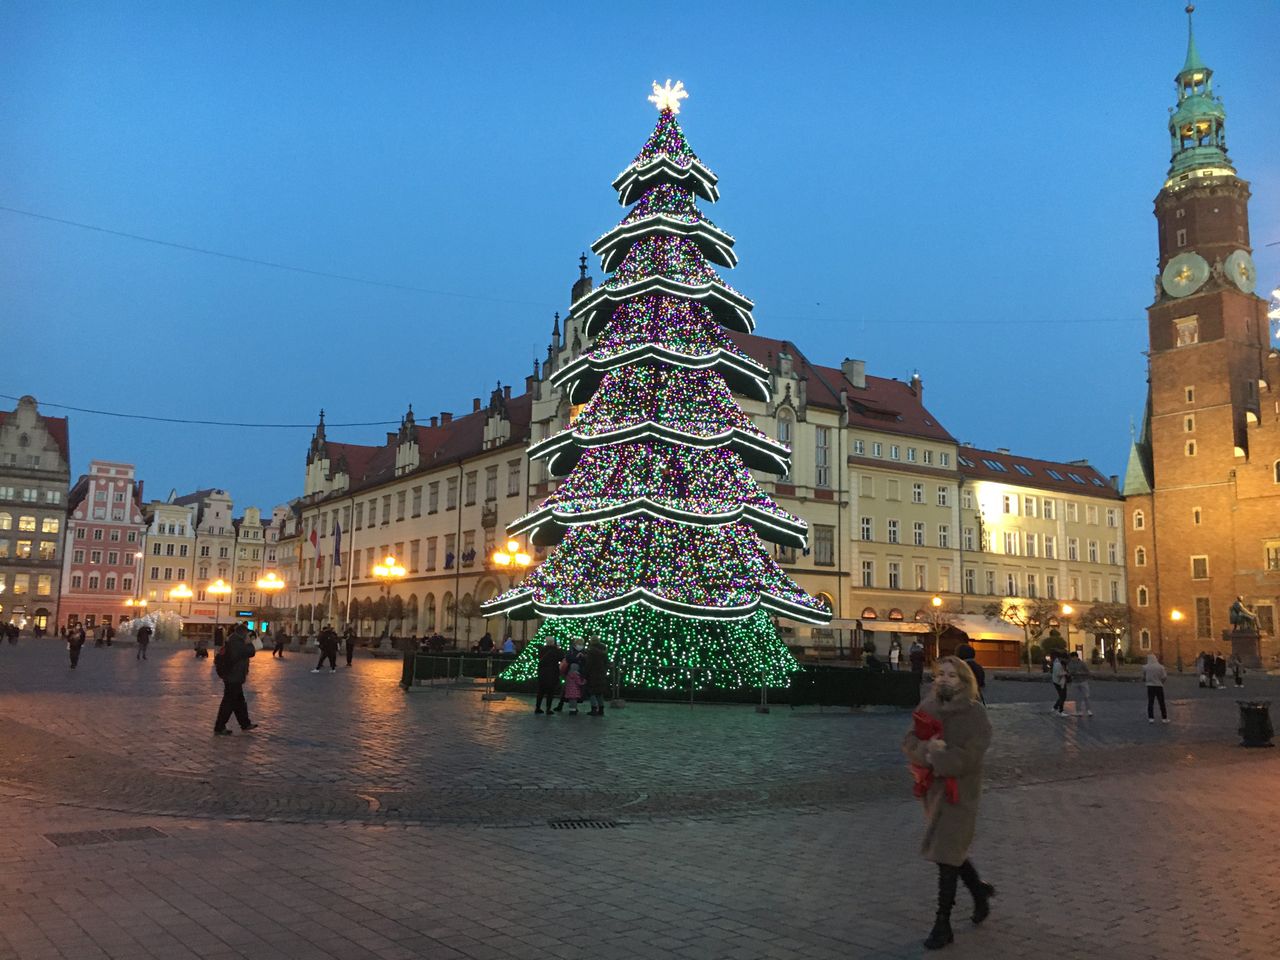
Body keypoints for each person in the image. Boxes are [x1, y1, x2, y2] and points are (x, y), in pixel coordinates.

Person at [901, 656, 995, 951]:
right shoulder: (927, 707)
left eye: (952, 675)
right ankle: (979, 893)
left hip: (960, 794)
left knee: (946, 852)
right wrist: (926, 750)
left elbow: (970, 757)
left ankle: (942, 924)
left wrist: (940, 757)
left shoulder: (975, 714)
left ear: (965, 681)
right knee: (950, 852)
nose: (944, 679)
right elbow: (909, 742)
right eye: (940, 674)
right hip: (932, 792)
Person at [213, 624, 259, 735]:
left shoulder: (233, 640)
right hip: (233, 676)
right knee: (229, 703)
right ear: (243, 633)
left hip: (233, 676)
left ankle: (245, 723)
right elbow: (250, 651)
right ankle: (219, 727)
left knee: (239, 702)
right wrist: (249, 642)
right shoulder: (237, 643)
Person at [554, 640, 585, 713]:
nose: (580, 645)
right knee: (566, 689)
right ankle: (562, 705)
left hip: (579, 673)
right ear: (575, 644)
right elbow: (568, 659)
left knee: (576, 691)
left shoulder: (584, 652)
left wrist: (583, 657)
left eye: (581, 644)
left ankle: (573, 706)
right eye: (579, 644)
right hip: (570, 673)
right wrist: (577, 658)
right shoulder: (571, 651)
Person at [535, 638, 563, 714]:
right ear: (553, 642)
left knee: (541, 691)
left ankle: (537, 707)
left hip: (542, 673)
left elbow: (538, 658)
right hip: (553, 673)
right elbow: (561, 658)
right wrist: (559, 648)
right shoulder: (555, 650)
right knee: (550, 692)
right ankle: (548, 708)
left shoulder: (542, 650)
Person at [585, 639, 610, 716]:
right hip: (601, 674)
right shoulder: (604, 651)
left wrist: (586, 673)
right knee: (599, 693)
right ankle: (601, 709)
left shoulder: (591, 651)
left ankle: (594, 708)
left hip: (592, 675)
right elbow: (607, 663)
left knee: (592, 692)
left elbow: (588, 664)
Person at [1143, 653, 1169, 723]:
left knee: (1150, 702)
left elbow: (1144, 676)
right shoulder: (1161, 667)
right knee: (1161, 702)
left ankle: (1151, 718)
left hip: (1150, 686)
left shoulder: (1145, 667)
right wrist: (1162, 682)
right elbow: (1164, 677)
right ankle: (1164, 718)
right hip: (1159, 685)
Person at [1066, 651, 1093, 717]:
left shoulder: (1082, 663)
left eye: (1073, 657)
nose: (1072, 659)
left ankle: (1089, 710)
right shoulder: (1070, 664)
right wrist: (1070, 673)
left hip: (1083, 681)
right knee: (1077, 697)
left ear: (1076, 657)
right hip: (1075, 682)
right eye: (1071, 658)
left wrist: (1080, 673)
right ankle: (1079, 711)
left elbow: (1088, 672)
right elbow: (1069, 672)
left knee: (1086, 696)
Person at [1050, 651, 1069, 716]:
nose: (1066, 660)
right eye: (1066, 659)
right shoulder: (1058, 664)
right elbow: (1058, 674)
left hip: (1059, 681)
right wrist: (1066, 673)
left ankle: (1055, 707)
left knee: (1062, 696)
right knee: (1063, 696)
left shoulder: (1058, 662)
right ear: (1062, 658)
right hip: (1059, 682)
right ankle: (1060, 711)